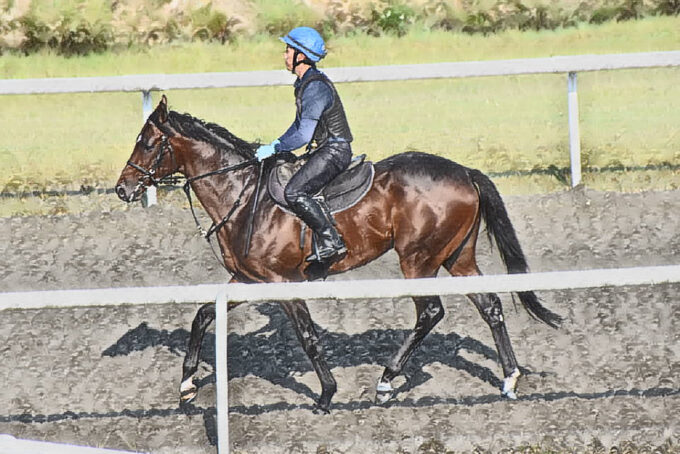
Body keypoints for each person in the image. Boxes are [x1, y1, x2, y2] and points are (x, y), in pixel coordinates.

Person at [255, 26, 353, 267]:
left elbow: (304, 135)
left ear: (302, 55)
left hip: (335, 151)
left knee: (294, 191)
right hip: (325, 149)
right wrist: (276, 143)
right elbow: (297, 125)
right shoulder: (304, 84)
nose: (285, 55)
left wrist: (278, 148)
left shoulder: (316, 88)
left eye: (288, 50)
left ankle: (332, 240)